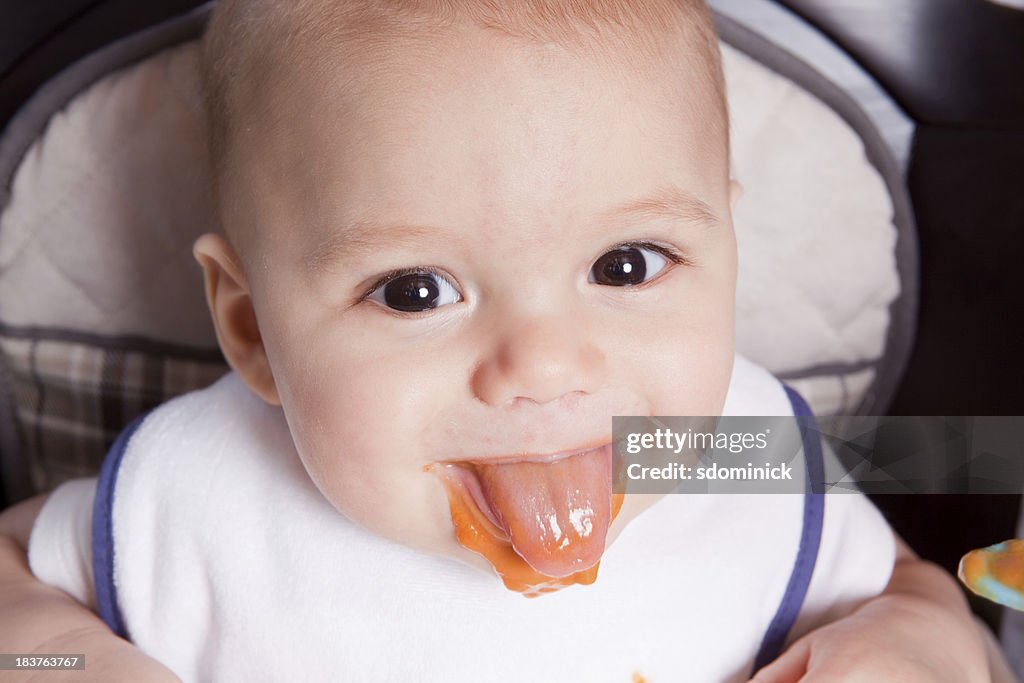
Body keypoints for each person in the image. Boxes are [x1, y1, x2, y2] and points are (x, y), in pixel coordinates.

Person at [0, 0, 1005, 680]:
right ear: (252, 327)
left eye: (625, 265)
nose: (543, 366)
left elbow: (925, 584)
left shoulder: (746, 451)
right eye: (415, 289)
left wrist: (920, 635)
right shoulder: (203, 492)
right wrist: (57, 651)